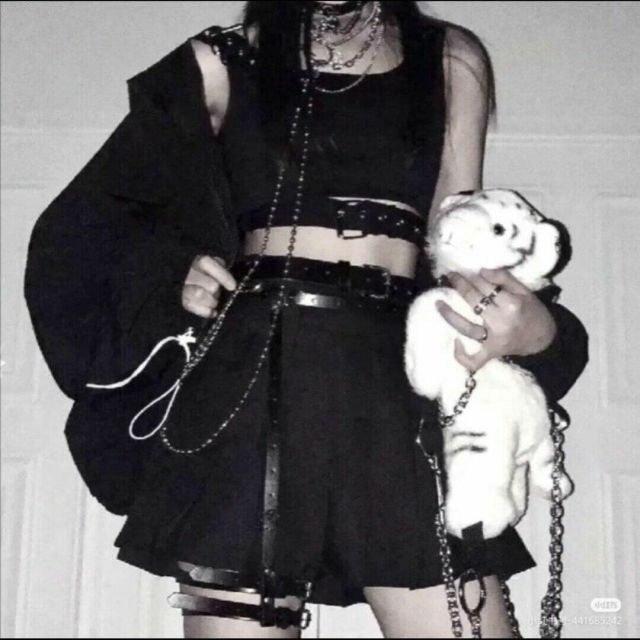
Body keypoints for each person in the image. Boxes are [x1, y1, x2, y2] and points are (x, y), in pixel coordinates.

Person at [24, 1, 589, 638]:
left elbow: (458, 238)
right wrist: (172, 271)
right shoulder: (222, 60)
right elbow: (86, 228)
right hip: (252, 384)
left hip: (394, 384)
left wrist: (537, 332)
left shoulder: (450, 58)